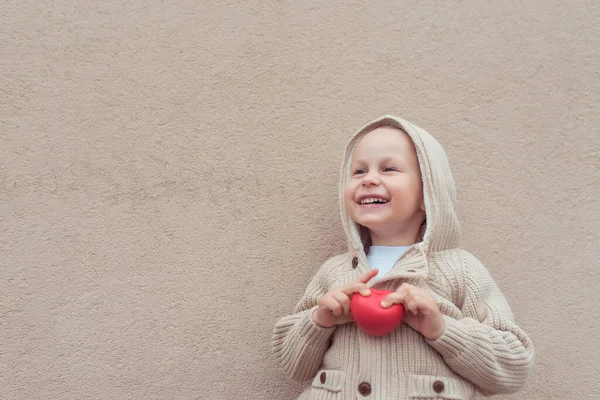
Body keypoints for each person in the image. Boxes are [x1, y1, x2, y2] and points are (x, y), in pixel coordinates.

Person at [272, 115, 535, 399]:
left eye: (388, 168)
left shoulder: (461, 269)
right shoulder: (333, 273)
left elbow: (514, 366)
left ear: (427, 194)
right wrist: (319, 320)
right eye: (359, 171)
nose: (370, 179)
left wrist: (443, 329)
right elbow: (292, 365)